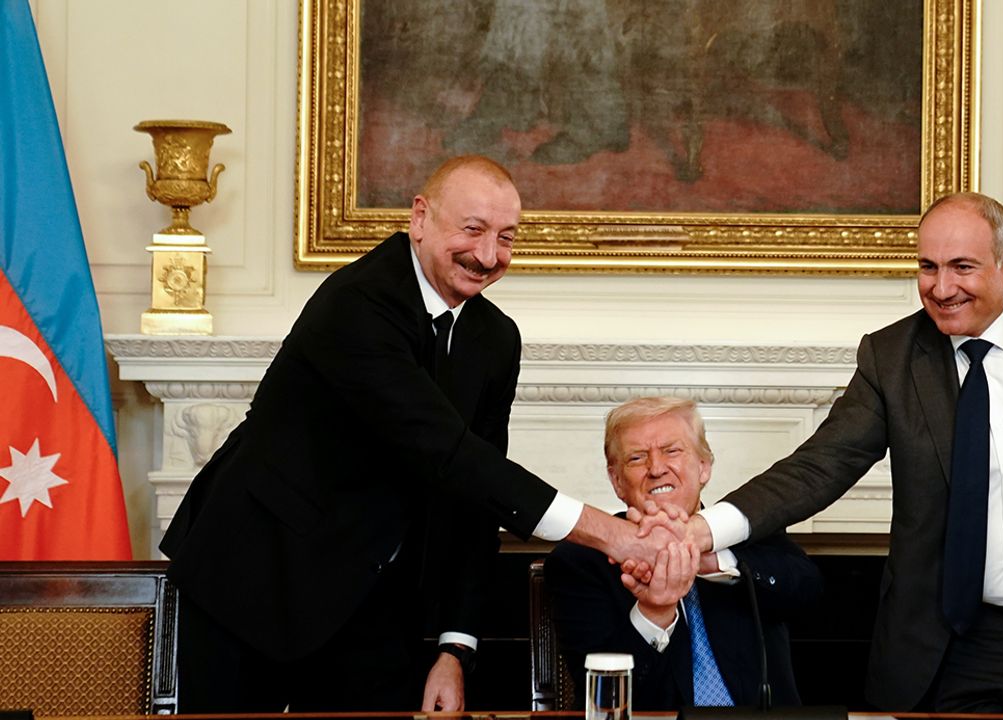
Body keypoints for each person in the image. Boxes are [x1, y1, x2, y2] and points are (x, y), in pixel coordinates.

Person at [651, 192, 1003, 713]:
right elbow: (819, 466)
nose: (942, 288)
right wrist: (703, 531)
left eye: (962, 267)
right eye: (928, 267)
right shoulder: (891, 357)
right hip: (950, 645)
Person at [159, 155, 672, 714]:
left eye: (506, 238)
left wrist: (456, 648)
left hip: (373, 601)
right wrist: (613, 535)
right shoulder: (357, 304)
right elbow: (450, 455)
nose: (487, 255)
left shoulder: (496, 339)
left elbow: (476, 501)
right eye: (472, 229)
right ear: (420, 218)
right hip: (251, 579)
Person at [546, 397, 821, 710]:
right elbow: (603, 698)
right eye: (637, 458)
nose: (656, 468)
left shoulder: (749, 528)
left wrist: (712, 559)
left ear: (704, 466)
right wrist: (654, 612)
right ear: (617, 481)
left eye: (672, 451)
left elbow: (809, 594)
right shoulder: (581, 561)